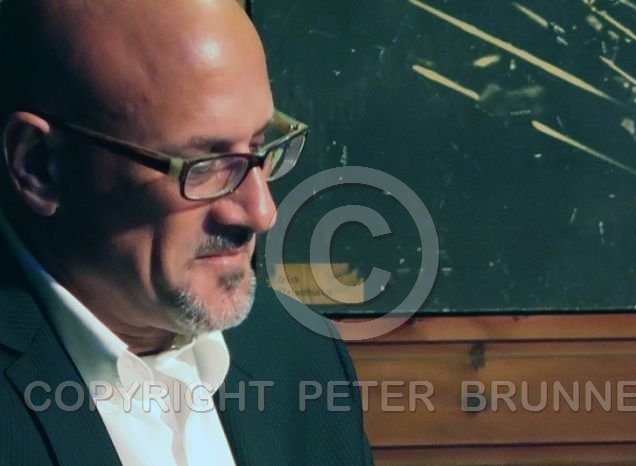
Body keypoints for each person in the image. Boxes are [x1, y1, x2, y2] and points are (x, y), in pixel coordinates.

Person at [0, 0, 373, 464]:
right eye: (205, 165)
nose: (261, 212)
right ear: (38, 166)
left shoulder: (302, 353)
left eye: (259, 147)